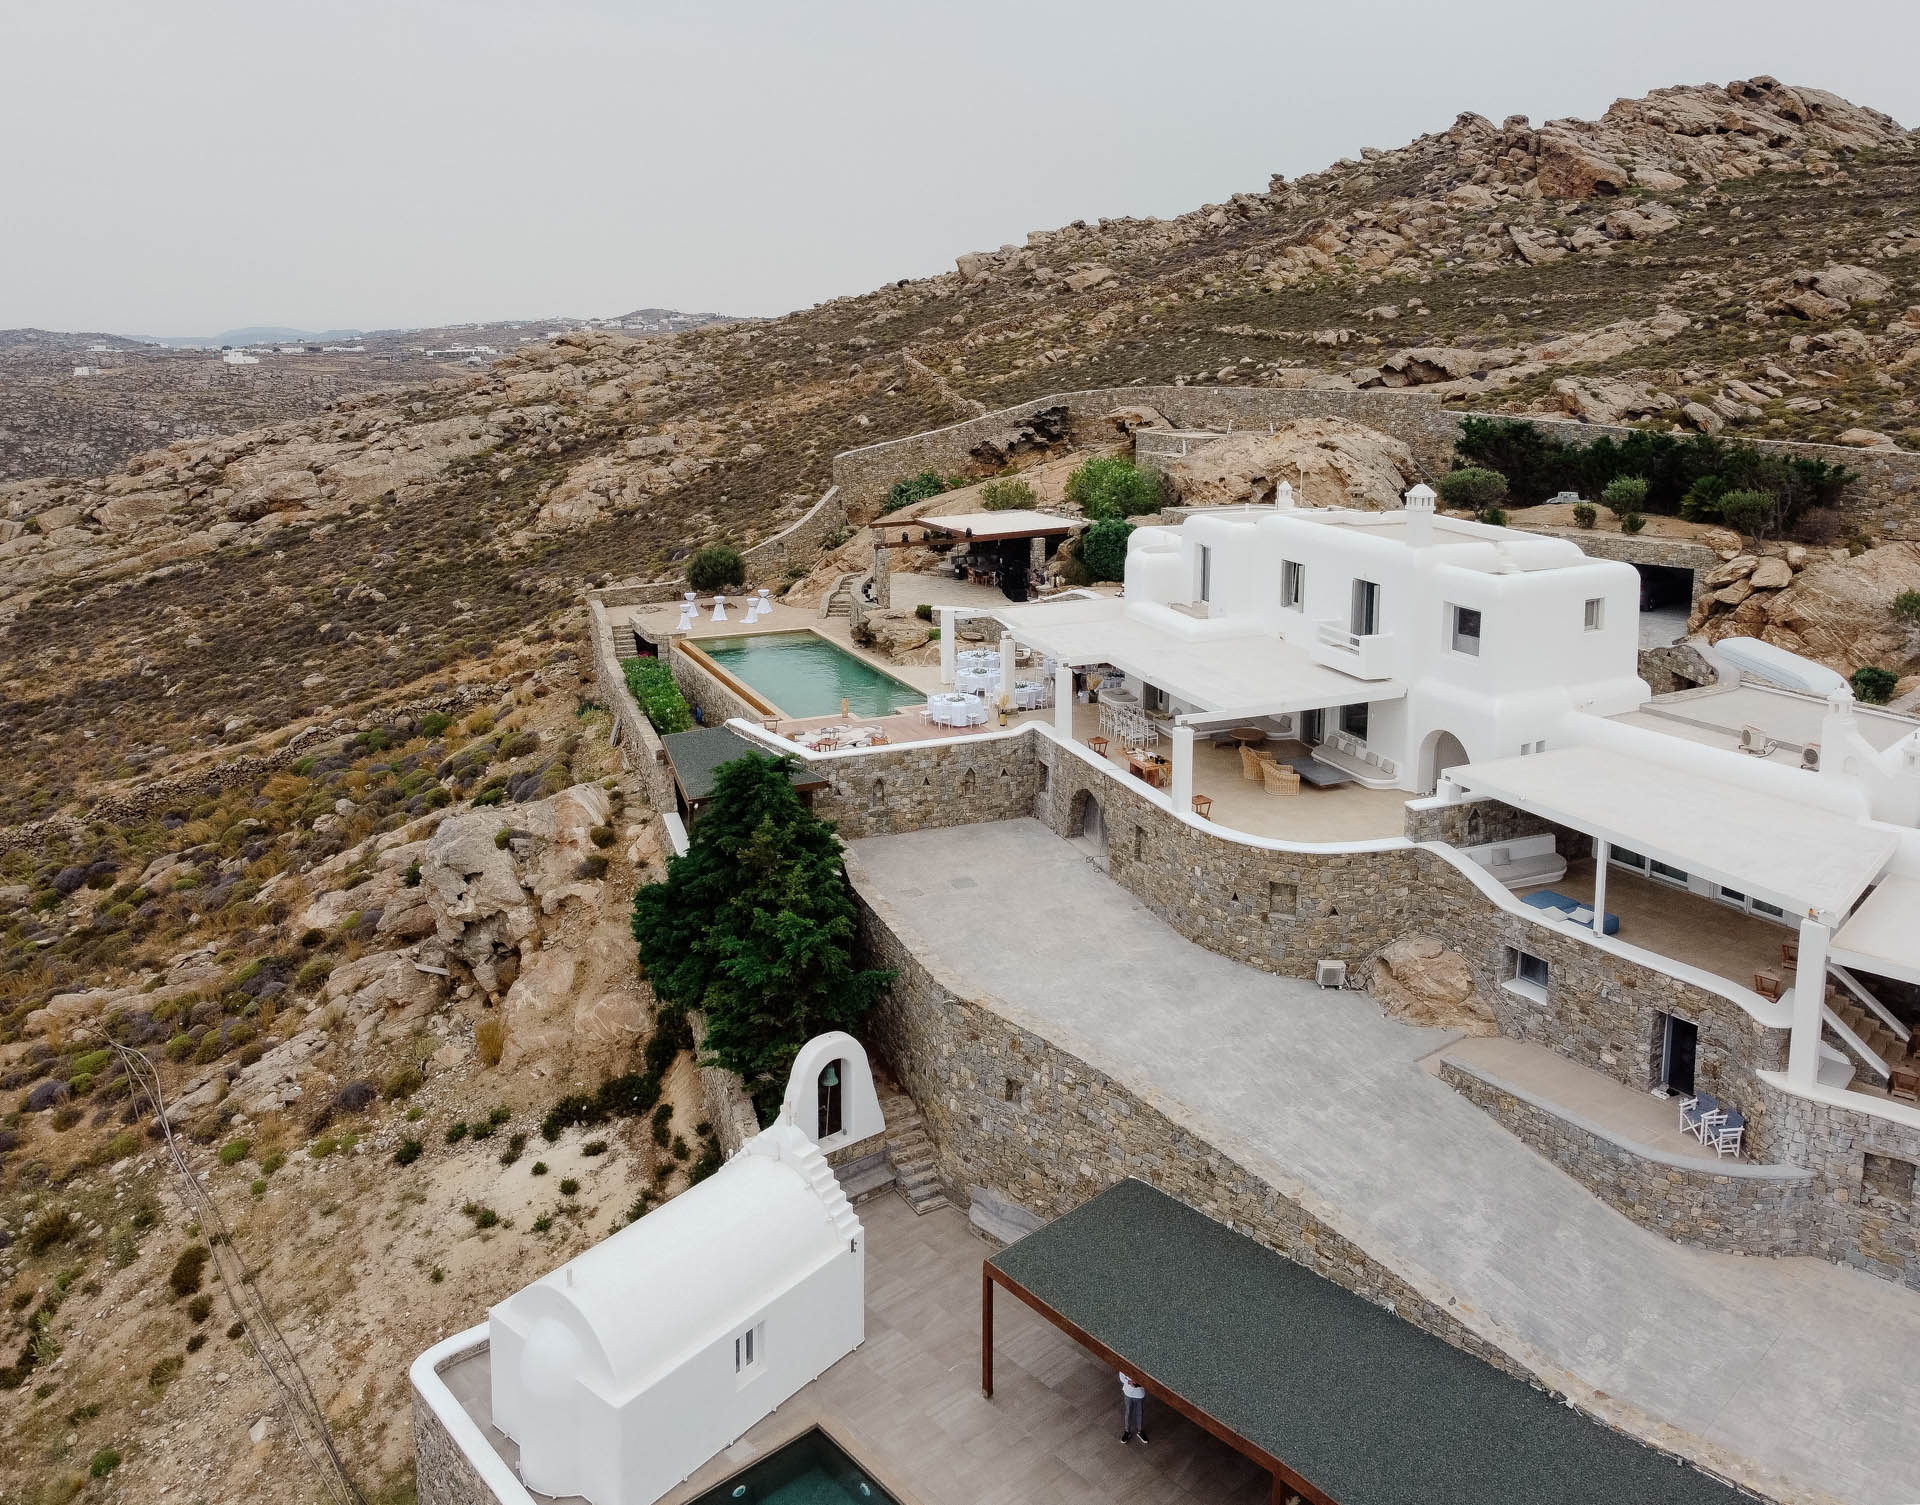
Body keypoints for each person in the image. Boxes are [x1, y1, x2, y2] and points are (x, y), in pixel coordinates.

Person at [1118, 1372, 1148, 1444]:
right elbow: (1122, 1377)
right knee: (1128, 1413)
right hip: (1128, 1393)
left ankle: (1140, 1431)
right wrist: (1129, 1382)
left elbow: (1147, 1382)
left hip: (1139, 1394)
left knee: (1139, 1413)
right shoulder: (1125, 1368)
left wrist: (1139, 1385)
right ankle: (1127, 1432)